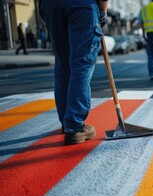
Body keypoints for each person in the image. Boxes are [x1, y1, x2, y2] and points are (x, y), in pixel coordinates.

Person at [38, 0, 109, 145]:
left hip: (51, 5)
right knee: (81, 65)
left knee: (63, 65)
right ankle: (75, 125)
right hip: (81, 5)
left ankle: (66, 122)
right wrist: (103, 13)